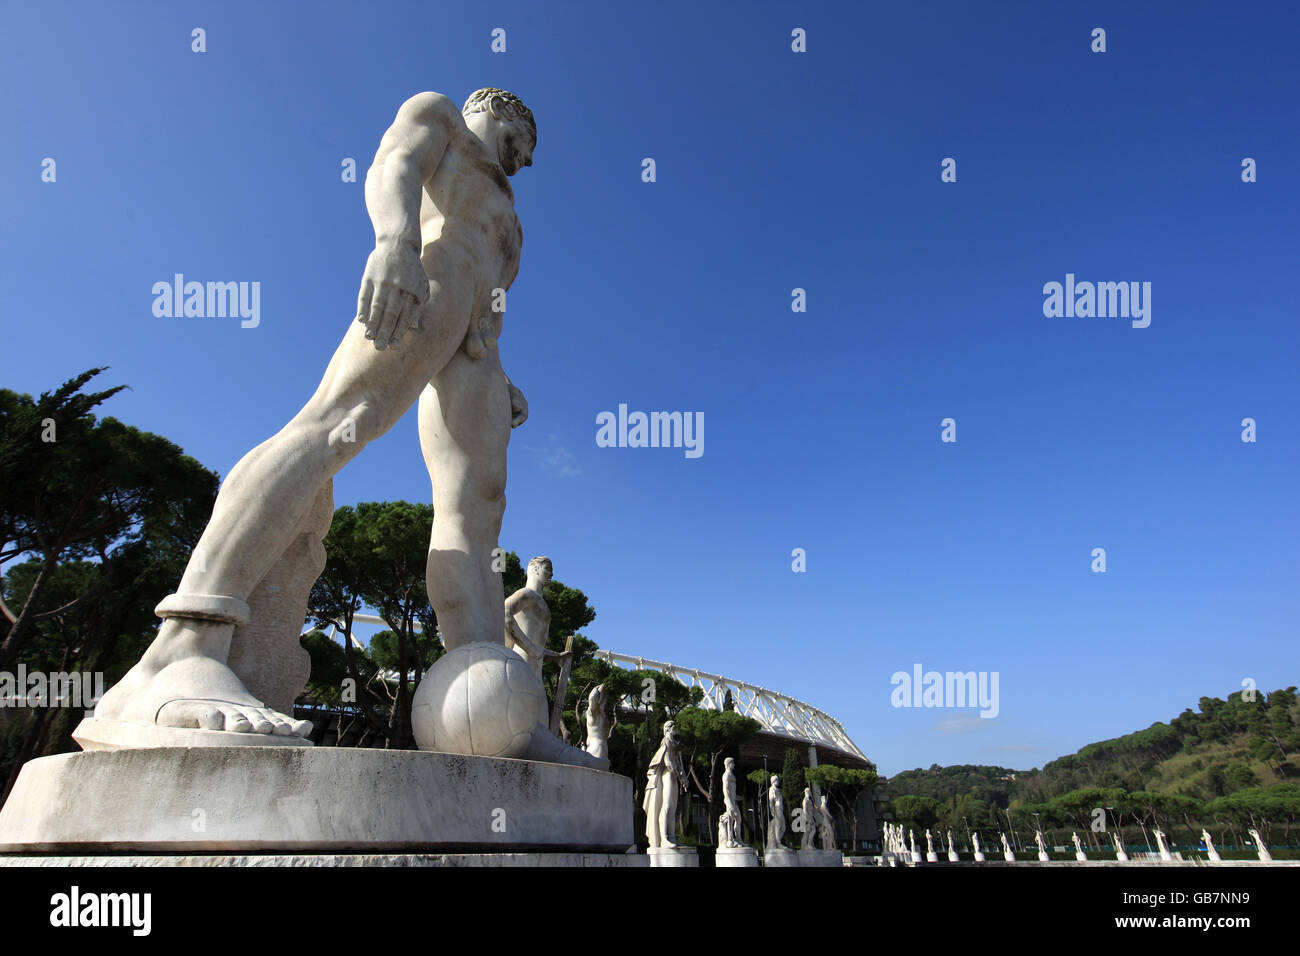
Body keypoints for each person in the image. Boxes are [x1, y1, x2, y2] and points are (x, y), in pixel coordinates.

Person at [82, 89, 538, 746]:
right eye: (526, 145)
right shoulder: (443, 120)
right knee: (334, 425)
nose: (524, 162)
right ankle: (182, 649)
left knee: (478, 508)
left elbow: (493, 300)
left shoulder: (513, 219)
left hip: (477, 353)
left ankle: (492, 719)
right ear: (506, 115)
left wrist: (502, 371)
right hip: (428, 280)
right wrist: (395, 242)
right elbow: (395, 165)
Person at [643, 720, 686, 848]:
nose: (675, 729)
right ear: (667, 729)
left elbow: (678, 763)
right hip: (667, 775)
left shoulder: (675, 744)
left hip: (674, 776)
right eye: (673, 727)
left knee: (672, 808)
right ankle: (664, 838)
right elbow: (668, 762)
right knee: (666, 806)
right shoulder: (666, 742)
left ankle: (672, 837)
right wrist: (679, 776)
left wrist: (683, 777)